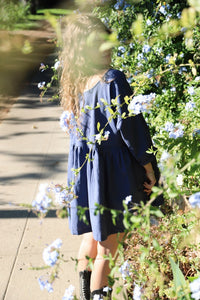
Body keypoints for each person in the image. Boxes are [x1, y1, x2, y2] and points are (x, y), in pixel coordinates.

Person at [59, 13, 163, 300]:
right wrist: (148, 167)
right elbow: (130, 128)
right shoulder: (112, 80)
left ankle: (83, 291)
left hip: (87, 176)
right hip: (112, 177)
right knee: (108, 248)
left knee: (91, 241)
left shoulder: (76, 83)